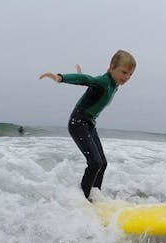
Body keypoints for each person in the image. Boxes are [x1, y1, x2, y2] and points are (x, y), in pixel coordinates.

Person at [39, 50, 136, 200]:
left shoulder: (114, 84)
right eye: (124, 72)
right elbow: (86, 79)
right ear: (112, 67)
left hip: (89, 124)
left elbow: (90, 84)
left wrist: (82, 77)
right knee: (95, 162)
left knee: (102, 163)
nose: (127, 77)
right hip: (78, 123)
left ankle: (95, 195)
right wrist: (61, 78)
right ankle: (83, 200)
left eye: (130, 74)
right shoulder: (104, 82)